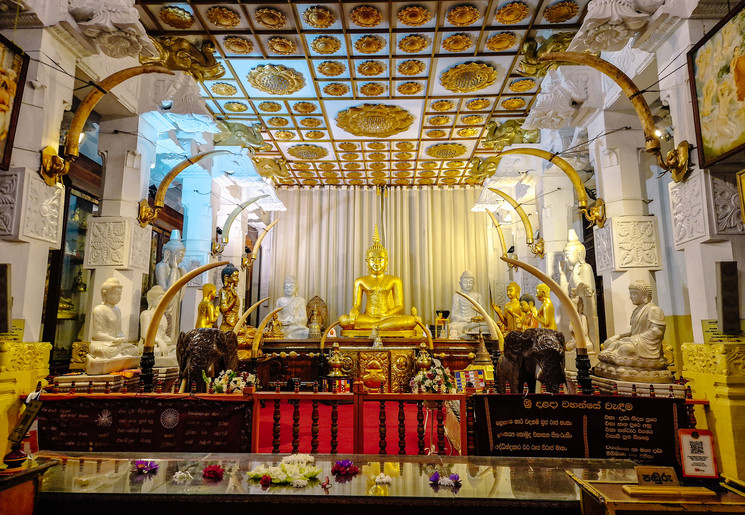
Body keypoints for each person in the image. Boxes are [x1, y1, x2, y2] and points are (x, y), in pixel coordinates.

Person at [338, 225, 418, 333]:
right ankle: (381, 326)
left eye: (380, 259)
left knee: (411, 320)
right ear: (367, 261)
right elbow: (357, 305)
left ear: (386, 261)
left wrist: (385, 315)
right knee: (343, 320)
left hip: (387, 317)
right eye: (372, 259)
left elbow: (400, 306)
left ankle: (376, 326)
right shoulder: (360, 281)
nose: (376, 263)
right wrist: (354, 311)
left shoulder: (394, 280)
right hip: (369, 317)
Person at [600, 280, 666, 362]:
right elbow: (632, 332)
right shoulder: (636, 311)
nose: (630, 297)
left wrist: (633, 339)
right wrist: (619, 336)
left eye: (633, 294)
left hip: (646, 346)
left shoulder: (654, 310)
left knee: (624, 348)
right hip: (636, 342)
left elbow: (657, 332)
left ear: (644, 295)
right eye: (630, 294)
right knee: (610, 343)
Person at [87, 277, 140, 374]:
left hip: (116, 345)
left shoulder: (117, 310)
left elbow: (118, 331)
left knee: (135, 349)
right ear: (105, 294)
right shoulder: (99, 310)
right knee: (103, 351)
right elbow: (97, 334)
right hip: (103, 343)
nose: (119, 297)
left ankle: (118, 355)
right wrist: (113, 340)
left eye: (120, 294)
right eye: (116, 293)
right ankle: (117, 355)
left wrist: (121, 338)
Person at [155, 231, 186, 340]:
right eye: (180, 255)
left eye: (183, 256)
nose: (181, 259)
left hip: (175, 303)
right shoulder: (161, 267)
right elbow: (166, 291)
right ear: (168, 254)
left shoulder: (179, 270)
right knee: (167, 326)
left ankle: (172, 344)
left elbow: (179, 293)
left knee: (174, 328)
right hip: (166, 303)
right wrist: (173, 269)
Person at [450, 270, 489, 338]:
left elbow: (482, 314)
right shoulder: (457, 296)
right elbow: (454, 315)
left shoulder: (478, 296)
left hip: (475, 323)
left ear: (474, 283)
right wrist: (464, 319)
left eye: (470, 282)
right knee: (452, 326)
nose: (468, 284)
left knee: (487, 326)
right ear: (460, 284)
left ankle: (470, 332)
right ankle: (469, 332)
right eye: (465, 282)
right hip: (462, 322)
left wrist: (475, 319)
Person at [219, 263, 240, 332]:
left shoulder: (232, 292)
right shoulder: (223, 291)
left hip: (235, 324)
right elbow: (224, 309)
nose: (237, 280)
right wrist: (234, 299)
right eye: (235, 276)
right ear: (226, 277)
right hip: (228, 326)